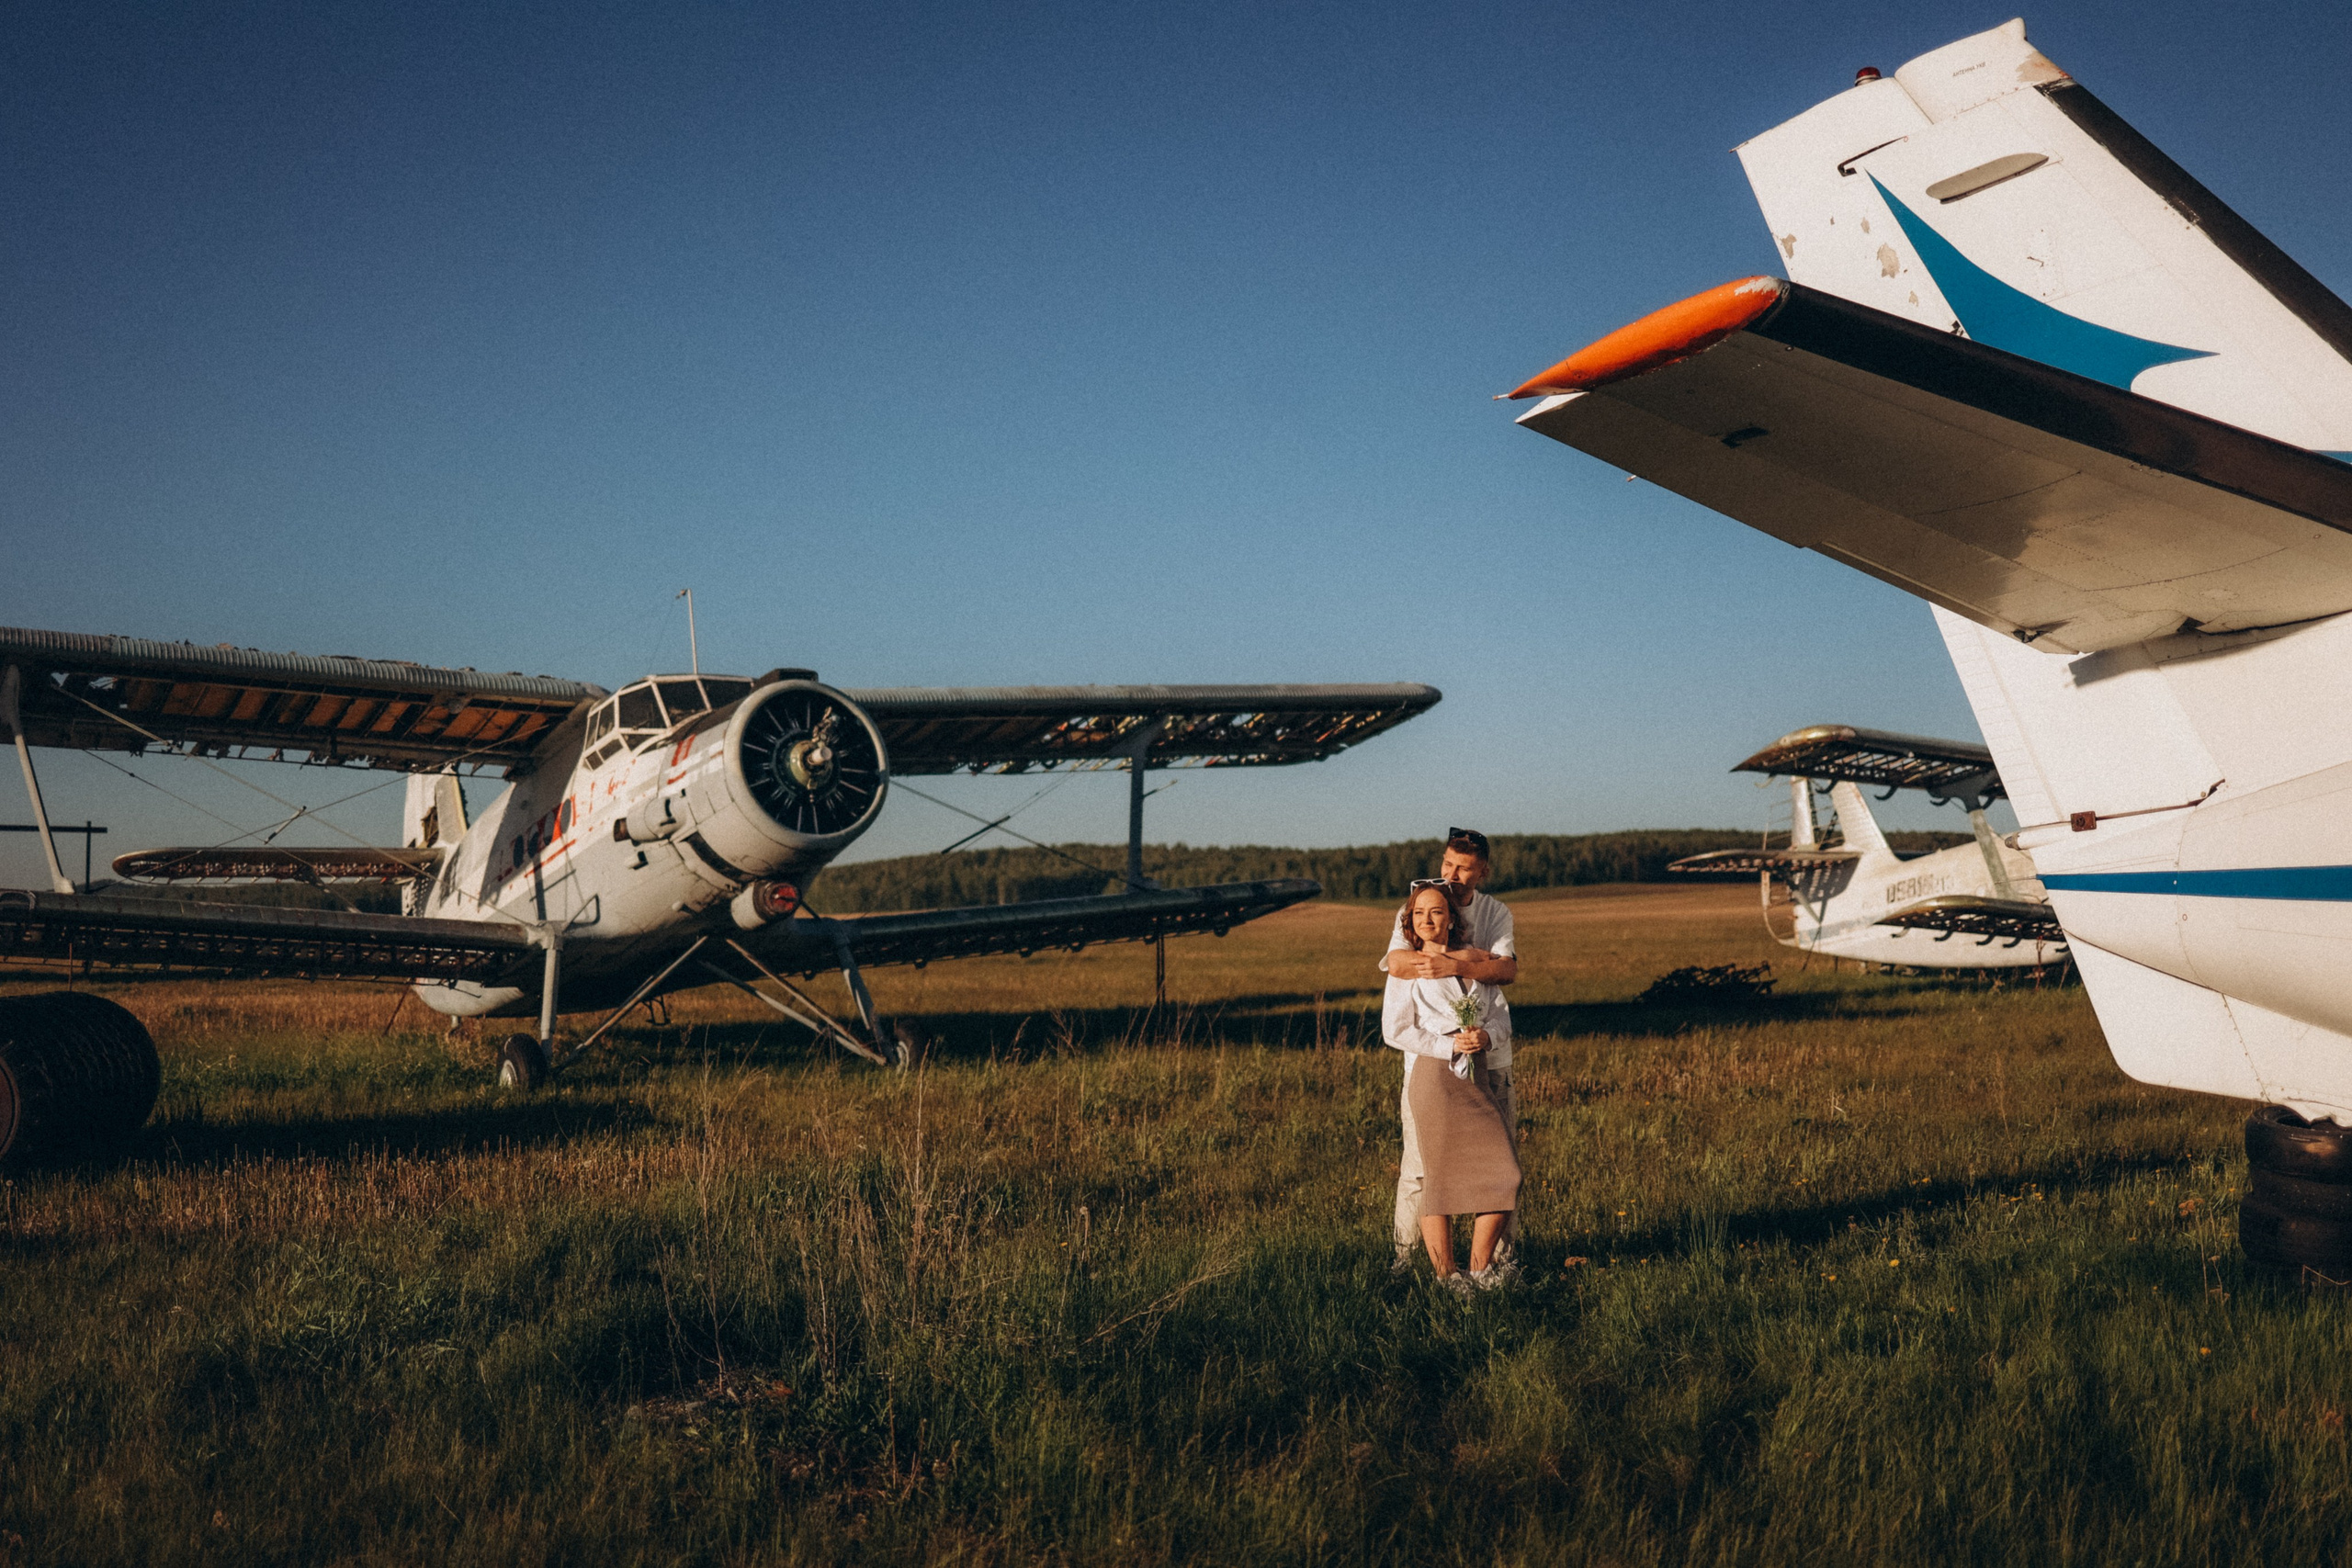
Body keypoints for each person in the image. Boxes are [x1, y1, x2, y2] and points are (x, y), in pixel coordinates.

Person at [1384, 829, 1521, 1277]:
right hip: (1430, 1069)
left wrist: (1461, 965)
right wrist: (1455, 958)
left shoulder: (1494, 912)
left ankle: (1496, 1264)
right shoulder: (1423, 903)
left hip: (1489, 1066)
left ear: (1483, 870)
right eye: (1447, 864)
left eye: (1464, 867)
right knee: (1421, 1170)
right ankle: (1410, 1264)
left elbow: (1506, 971)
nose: (1453, 875)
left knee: (1501, 1167)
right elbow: (1399, 962)